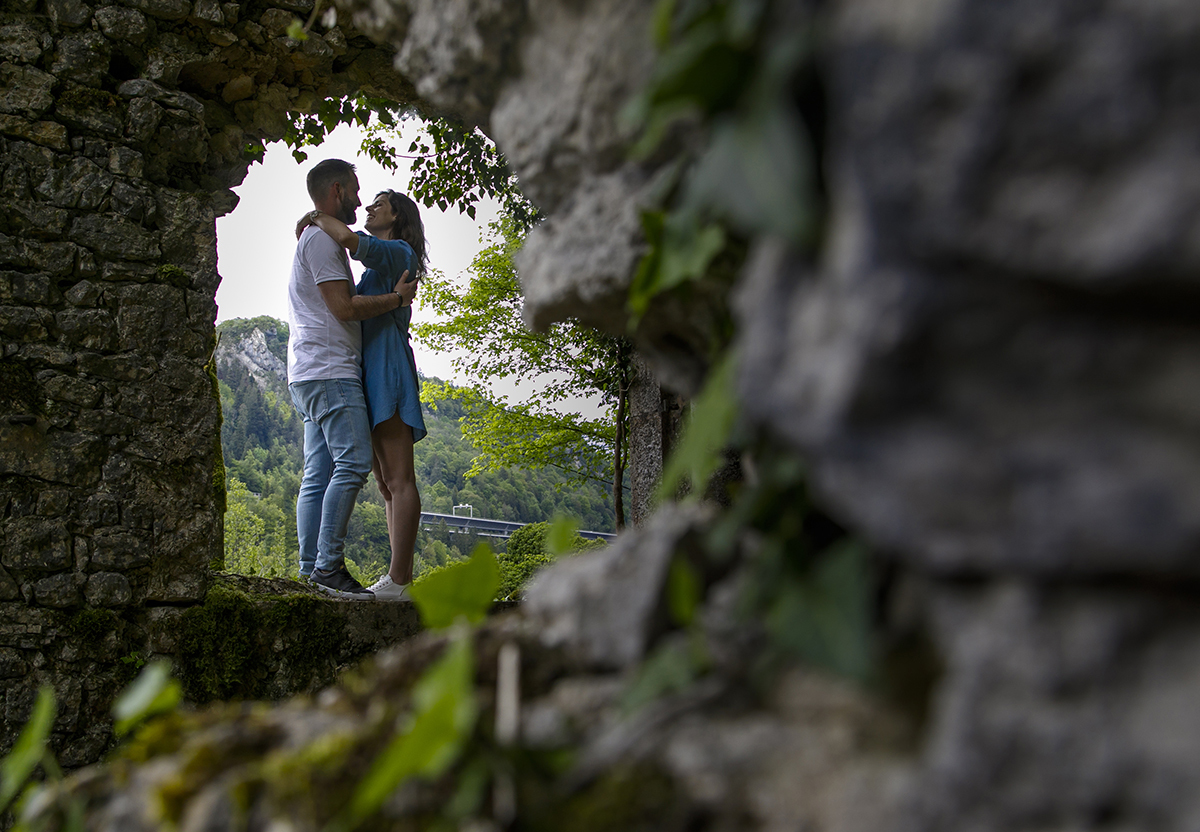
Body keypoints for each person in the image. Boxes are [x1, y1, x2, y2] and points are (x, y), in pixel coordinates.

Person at [287, 160, 418, 599]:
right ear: (339, 189)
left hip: (384, 369)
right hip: (349, 373)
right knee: (376, 480)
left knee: (393, 478)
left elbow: (346, 238)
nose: (365, 204)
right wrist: (314, 221)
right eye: (361, 194)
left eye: (378, 203)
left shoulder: (398, 252)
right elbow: (344, 306)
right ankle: (320, 570)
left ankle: (398, 580)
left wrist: (314, 217)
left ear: (397, 216)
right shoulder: (349, 261)